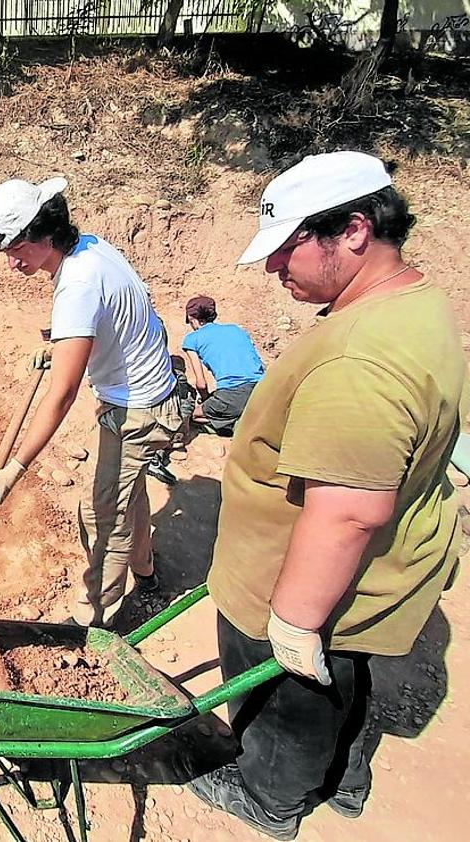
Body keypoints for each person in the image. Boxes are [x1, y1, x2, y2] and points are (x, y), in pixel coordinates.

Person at [189, 151, 465, 840]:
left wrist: (291, 617)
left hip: (300, 576)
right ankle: (344, 779)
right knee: (343, 683)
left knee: (287, 696)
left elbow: (346, 511)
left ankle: (270, 799)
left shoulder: (358, 357)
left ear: (354, 230)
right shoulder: (412, 302)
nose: (274, 268)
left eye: (287, 249)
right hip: (374, 582)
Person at [0, 177, 185, 627]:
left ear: (43, 234)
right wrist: (61, 345)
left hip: (138, 413)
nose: (11, 263)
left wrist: (15, 469)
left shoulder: (77, 285)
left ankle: (93, 618)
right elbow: (127, 312)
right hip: (153, 394)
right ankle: (146, 570)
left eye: (16, 249)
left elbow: (63, 393)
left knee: (103, 512)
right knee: (130, 491)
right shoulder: (91, 247)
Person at [181, 294, 265, 436]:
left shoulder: (191, 339)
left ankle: (237, 426)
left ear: (191, 318)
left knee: (194, 416)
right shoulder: (236, 329)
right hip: (263, 389)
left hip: (233, 394)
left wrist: (206, 399)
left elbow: (201, 384)